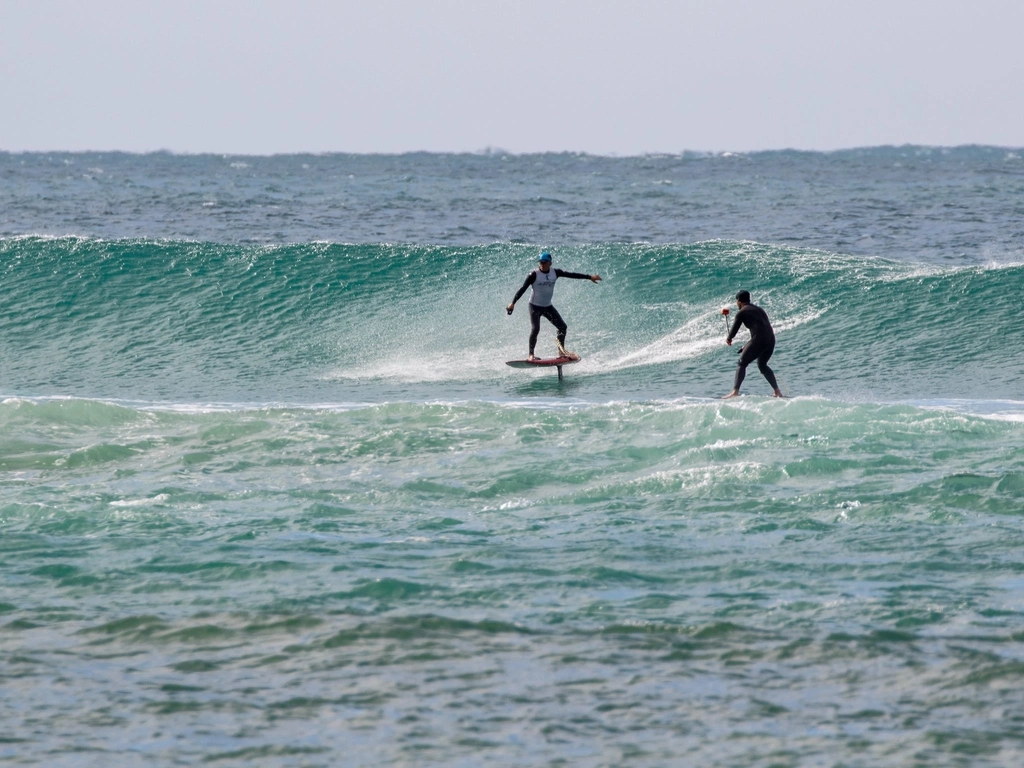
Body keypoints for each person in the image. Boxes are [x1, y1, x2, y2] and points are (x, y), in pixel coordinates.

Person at [507, 252, 601, 360]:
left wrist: (589, 277)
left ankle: (561, 352)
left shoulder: (555, 272)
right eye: (540, 262)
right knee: (535, 329)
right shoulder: (533, 274)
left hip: (547, 307)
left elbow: (571, 274)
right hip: (534, 306)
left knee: (562, 327)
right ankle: (531, 355)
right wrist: (513, 303)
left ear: (550, 263)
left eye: (544, 262)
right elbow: (522, 288)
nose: (541, 264)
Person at [723, 290, 784, 398]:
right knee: (762, 365)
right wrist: (747, 345)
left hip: (759, 340)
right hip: (770, 339)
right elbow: (761, 330)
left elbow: (734, 330)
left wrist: (729, 338)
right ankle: (777, 391)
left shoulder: (741, 312)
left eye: (736, 301)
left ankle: (735, 392)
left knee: (741, 363)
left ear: (739, 301)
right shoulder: (759, 309)